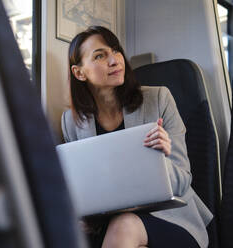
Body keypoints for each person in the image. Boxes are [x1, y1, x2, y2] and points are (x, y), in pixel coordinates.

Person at [61, 26, 213, 248]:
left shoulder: (160, 99)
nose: (114, 60)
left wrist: (164, 158)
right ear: (79, 73)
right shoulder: (70, 122)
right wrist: (80, 215)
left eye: (115, 51)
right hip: (106, 221)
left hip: (169, 217)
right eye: (100, 56)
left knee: (124, 226)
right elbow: (80, 189)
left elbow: (182, 181)